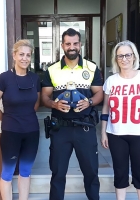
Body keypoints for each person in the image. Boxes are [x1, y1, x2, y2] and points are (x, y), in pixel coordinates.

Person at [41, 28, 103, 200]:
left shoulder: (91, 68)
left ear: (80, 45)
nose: (72, 47)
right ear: (62, 46)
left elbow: (99, 93)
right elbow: (44, 96)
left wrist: (89, 102)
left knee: (91, 172)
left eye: (75, 43)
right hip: (60, 129)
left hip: (86, 127)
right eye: (68, 44)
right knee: (58, 174)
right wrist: (54, 103)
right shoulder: (52, 70)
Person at [0, 39, 40, 200]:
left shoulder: (35, 79)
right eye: (21, 54)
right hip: (10, 132)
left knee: (26, 171)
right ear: (14, 55)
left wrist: (25, 116)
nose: (24, 58)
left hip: (32, 131)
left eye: (28, 55)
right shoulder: (4, 78)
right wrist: (7, 118)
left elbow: (36, 102)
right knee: (7, 172)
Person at [101, 40, 140, 200]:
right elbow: (105, 108)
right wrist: (103, 132)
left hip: (138, 133)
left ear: (134, 56)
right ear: (115, 59)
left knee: (139, 172)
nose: (124, 59)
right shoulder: (111, 81)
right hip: (116, 133)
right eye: (120, 56)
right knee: (120, 171)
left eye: (127, 55)